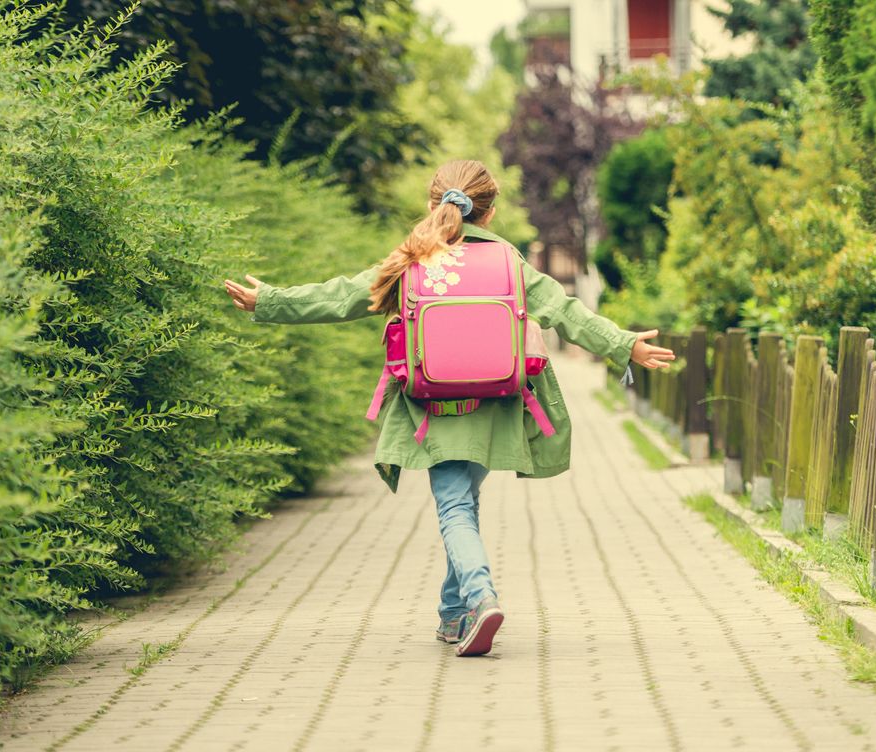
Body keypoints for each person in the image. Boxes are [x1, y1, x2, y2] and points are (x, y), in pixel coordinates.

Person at [224, 160, 675, 657]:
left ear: (432, 203)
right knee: (463, 501)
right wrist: (624, 344)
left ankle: (481, 598)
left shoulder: (415, 259)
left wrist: (269, 302)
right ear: (491, 211)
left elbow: (343, 297)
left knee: (455, 506)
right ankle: (454, 614)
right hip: (497, 402)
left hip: (435, 403)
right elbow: (566, 311)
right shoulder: (509, 262)